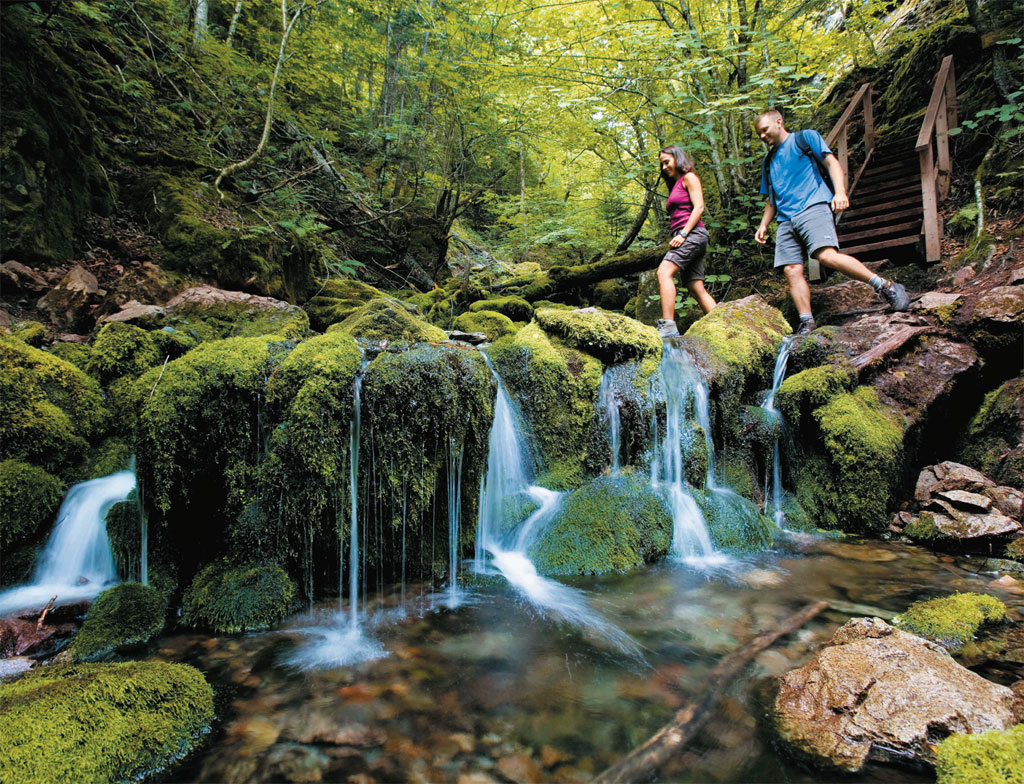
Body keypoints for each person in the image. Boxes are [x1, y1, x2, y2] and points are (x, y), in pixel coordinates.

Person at [753, 108, 909, 336]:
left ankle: (886, 286)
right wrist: (764, 224)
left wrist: (840, 192)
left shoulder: (804, 139)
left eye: (765, 130)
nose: (762, 137)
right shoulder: (769, 162)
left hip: (813, 206)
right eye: (759, 133)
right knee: (791, 269)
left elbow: (831, 163)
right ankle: (807, 322)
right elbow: (772, 199)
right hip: (785, 219)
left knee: (825, 256)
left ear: (779, 122)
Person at [655, 145, 716, 339]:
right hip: (689, 235)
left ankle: (668, 326)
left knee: (664, 272)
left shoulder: (689, 178)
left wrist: (682, 234)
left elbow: (699, 208)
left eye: (667, 162)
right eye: (661, 164)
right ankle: (723, 323)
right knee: (695, 286)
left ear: (678, 158)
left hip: (693, 234)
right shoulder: (675, 185)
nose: (664, 167)